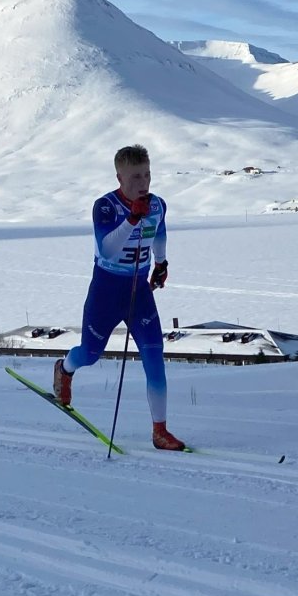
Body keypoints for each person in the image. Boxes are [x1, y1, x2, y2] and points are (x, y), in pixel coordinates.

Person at [53, 144, 186, 451]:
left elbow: (160, 234)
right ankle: (65, 369)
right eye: (136, 177)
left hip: (139, 289)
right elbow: (108, 248)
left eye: (148, 175)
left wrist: (161, 264)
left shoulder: (157, 205)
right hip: (107, 288)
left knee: (154, 356)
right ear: (120, 177)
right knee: (90, 353)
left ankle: (160, 430)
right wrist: (131, 220)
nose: (144, 183)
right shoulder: (105, 206)